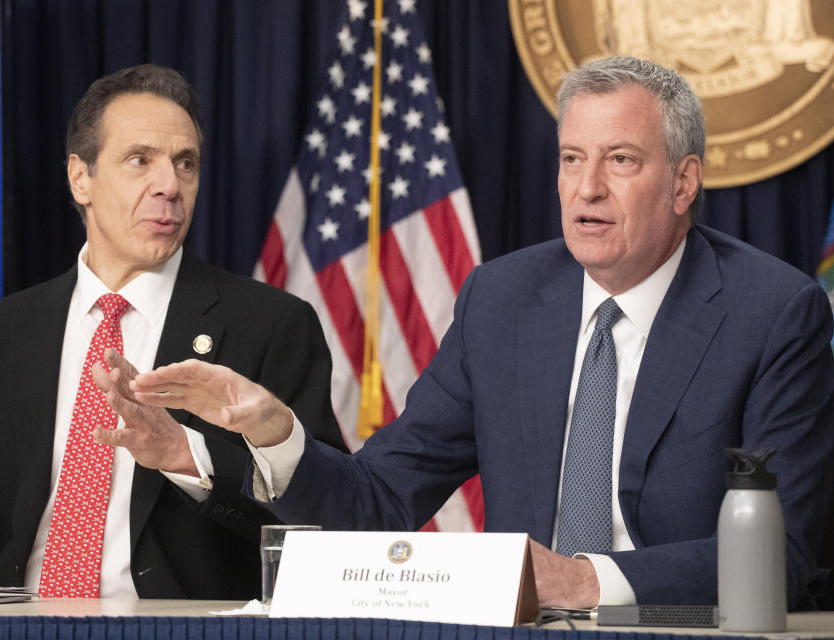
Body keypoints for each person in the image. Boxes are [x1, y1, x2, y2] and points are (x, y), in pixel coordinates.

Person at [119, 57, 834, 608]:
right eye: (571, 159)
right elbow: (382, 500)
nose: (586, 189)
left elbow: (786, 552)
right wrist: (279, 436)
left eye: (621, 161)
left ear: (683, 185)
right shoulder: (504, 298)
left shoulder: (773, 312)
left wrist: (585, 581)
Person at [0, 64, 347, 599]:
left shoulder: (270, 325)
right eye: (140, 160)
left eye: (185, 164)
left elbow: (317, 515)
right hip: (17, 621)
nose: (169, 186)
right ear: (81, 177)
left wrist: (187, 453)